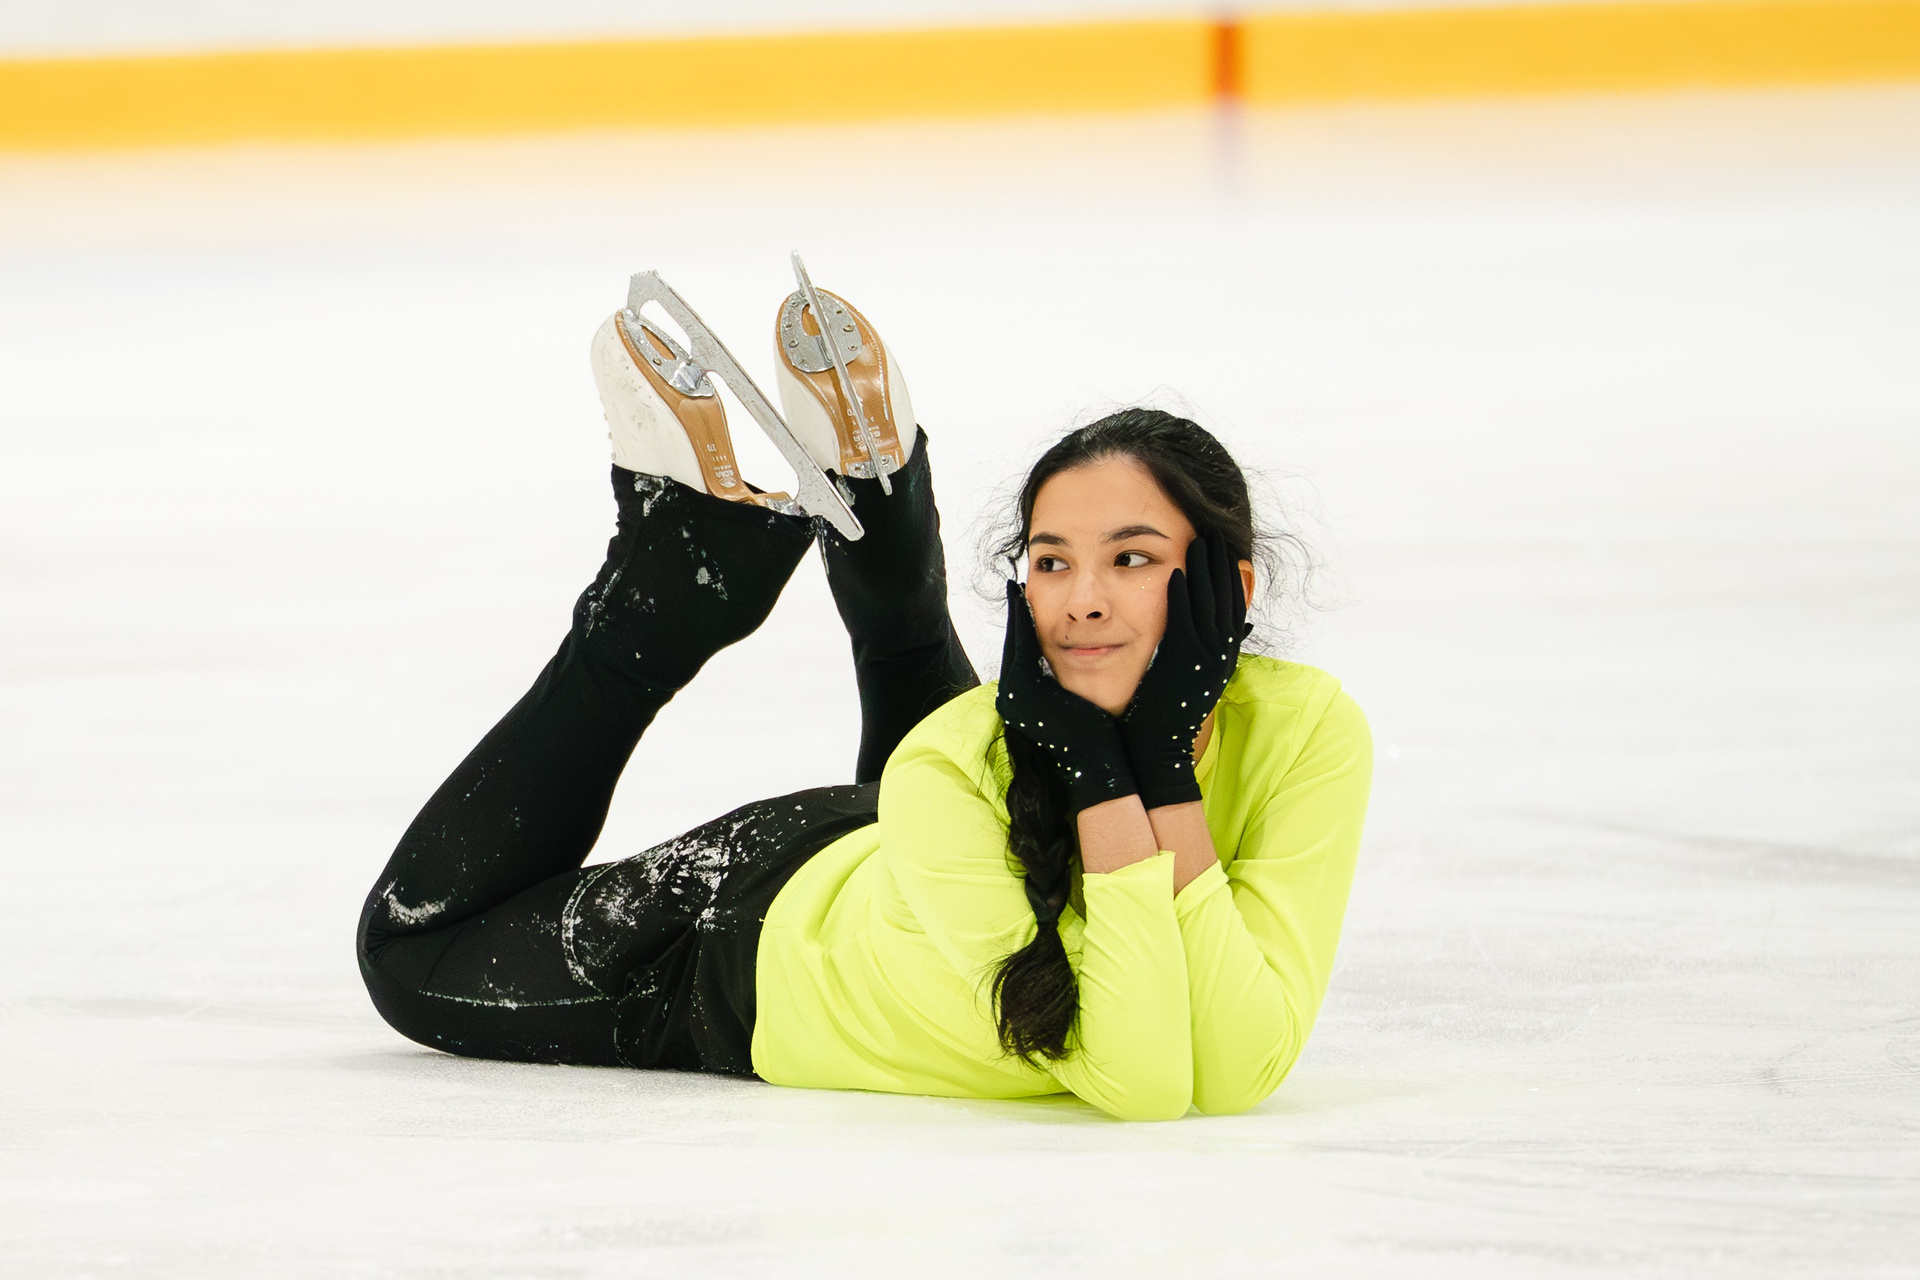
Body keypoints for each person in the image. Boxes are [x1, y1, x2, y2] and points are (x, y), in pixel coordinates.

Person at [356, 280, 1372, 1121]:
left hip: (925, 860)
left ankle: (880, 524)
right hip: (739, 937)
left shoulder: (1309, 730)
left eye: (1133, 558)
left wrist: (1158, 766)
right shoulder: (949, 764)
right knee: (410, 954)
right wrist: (1120, 770)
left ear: (1231, 586)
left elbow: (1231, 1072)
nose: (1083, 601)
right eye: (1052, 561)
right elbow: (1145, 1082)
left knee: (966, 777)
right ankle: (657, 607)